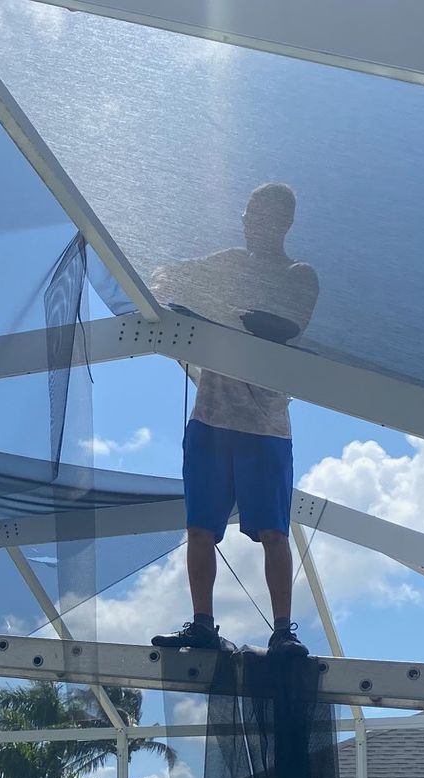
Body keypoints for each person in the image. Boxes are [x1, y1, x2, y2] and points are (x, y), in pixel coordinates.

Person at [147, 183, 319, 655]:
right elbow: (169, 277)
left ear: (283, 223)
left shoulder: (298, 274)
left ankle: (283, 631)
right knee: (199, 528)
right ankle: (203, 623)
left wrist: (213, 307)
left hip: (265, 423)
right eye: (247, 213)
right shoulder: (226, 263)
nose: (248, 222)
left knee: (273, 531)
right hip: (211, 418)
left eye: (260, 215)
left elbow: (282, 324)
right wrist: (181, 296)